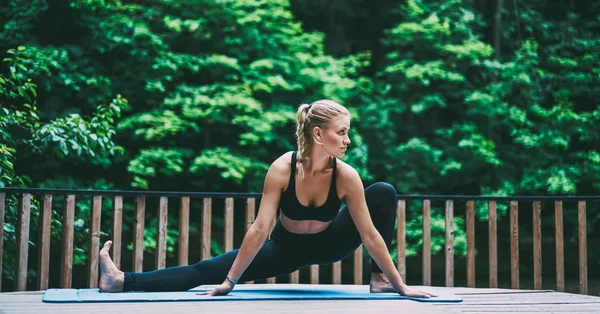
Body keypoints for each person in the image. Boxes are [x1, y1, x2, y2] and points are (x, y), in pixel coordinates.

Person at [98, 99, 435, 298]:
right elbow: (260, 229)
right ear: (318, 134)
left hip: (331, 243)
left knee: (384, 193)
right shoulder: (282, 169)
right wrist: (229, 281)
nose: (348, 140)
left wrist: (400, 285)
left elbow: (370, 234)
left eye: (348, 132)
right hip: (285, 248)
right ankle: (121, 280)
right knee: (205, 271)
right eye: (342, 132)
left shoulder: (346, 176)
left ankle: (379, 281)